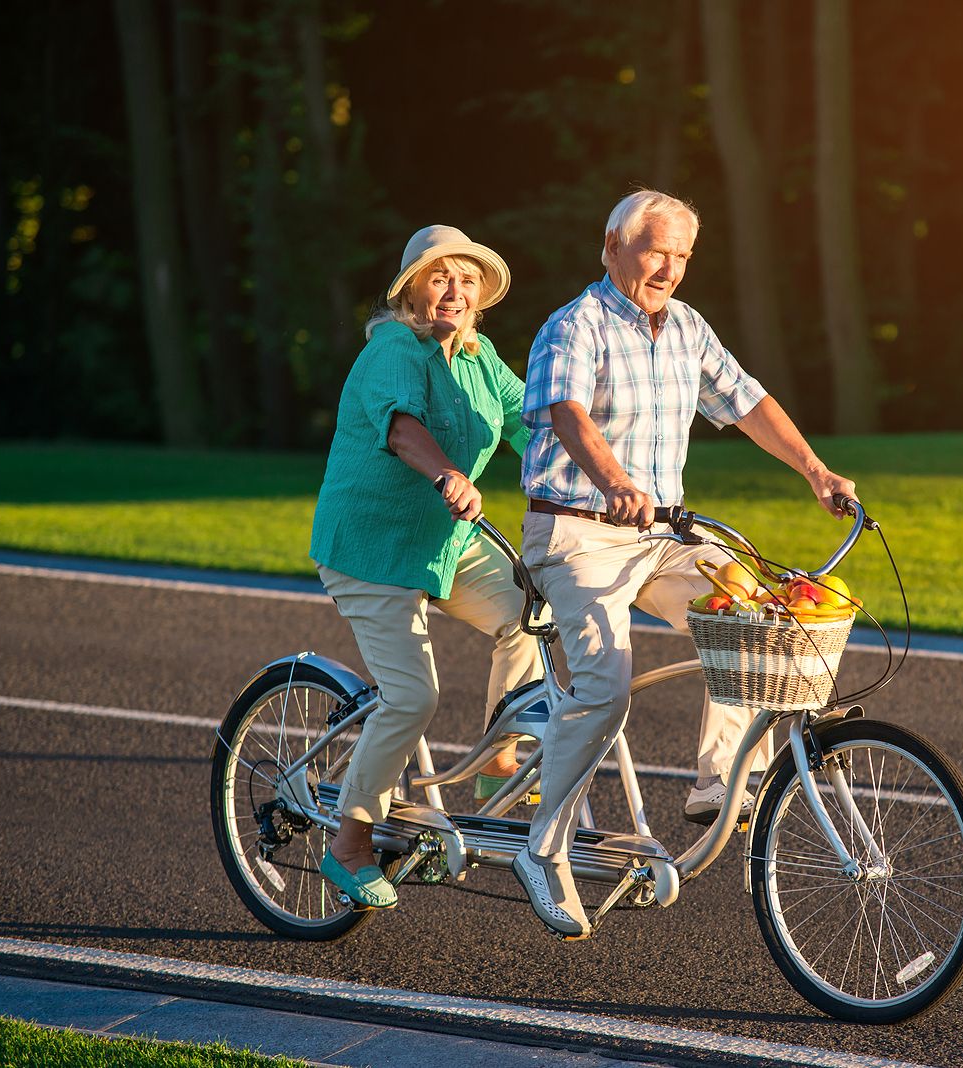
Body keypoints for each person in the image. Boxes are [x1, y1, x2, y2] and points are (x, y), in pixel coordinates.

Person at [512, 189, 857, 938]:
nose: (667, 267)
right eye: (653, 250)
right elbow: (568, 414)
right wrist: (617, 484)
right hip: (577, 534)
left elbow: (747, 400)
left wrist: (815, 471)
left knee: (757, 611)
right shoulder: (574, 327)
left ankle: (716, 785)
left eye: (681, 256)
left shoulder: (687, 329)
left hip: (659, 536)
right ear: (612, 247)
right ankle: (543, 849)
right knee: (604, 691)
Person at [309, 224, 539, 910]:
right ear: (411, 288)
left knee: (534, 611)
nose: (455, 290)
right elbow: (402, 426)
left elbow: (532, 419)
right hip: (373, 547)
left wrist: (589, 470)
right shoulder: (393, 349)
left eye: (467, 280)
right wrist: (447, 475)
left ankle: (499, 766)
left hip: (445, 541)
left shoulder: (479, 355)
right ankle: (349, 842)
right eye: (440, 277)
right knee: (412, 697)